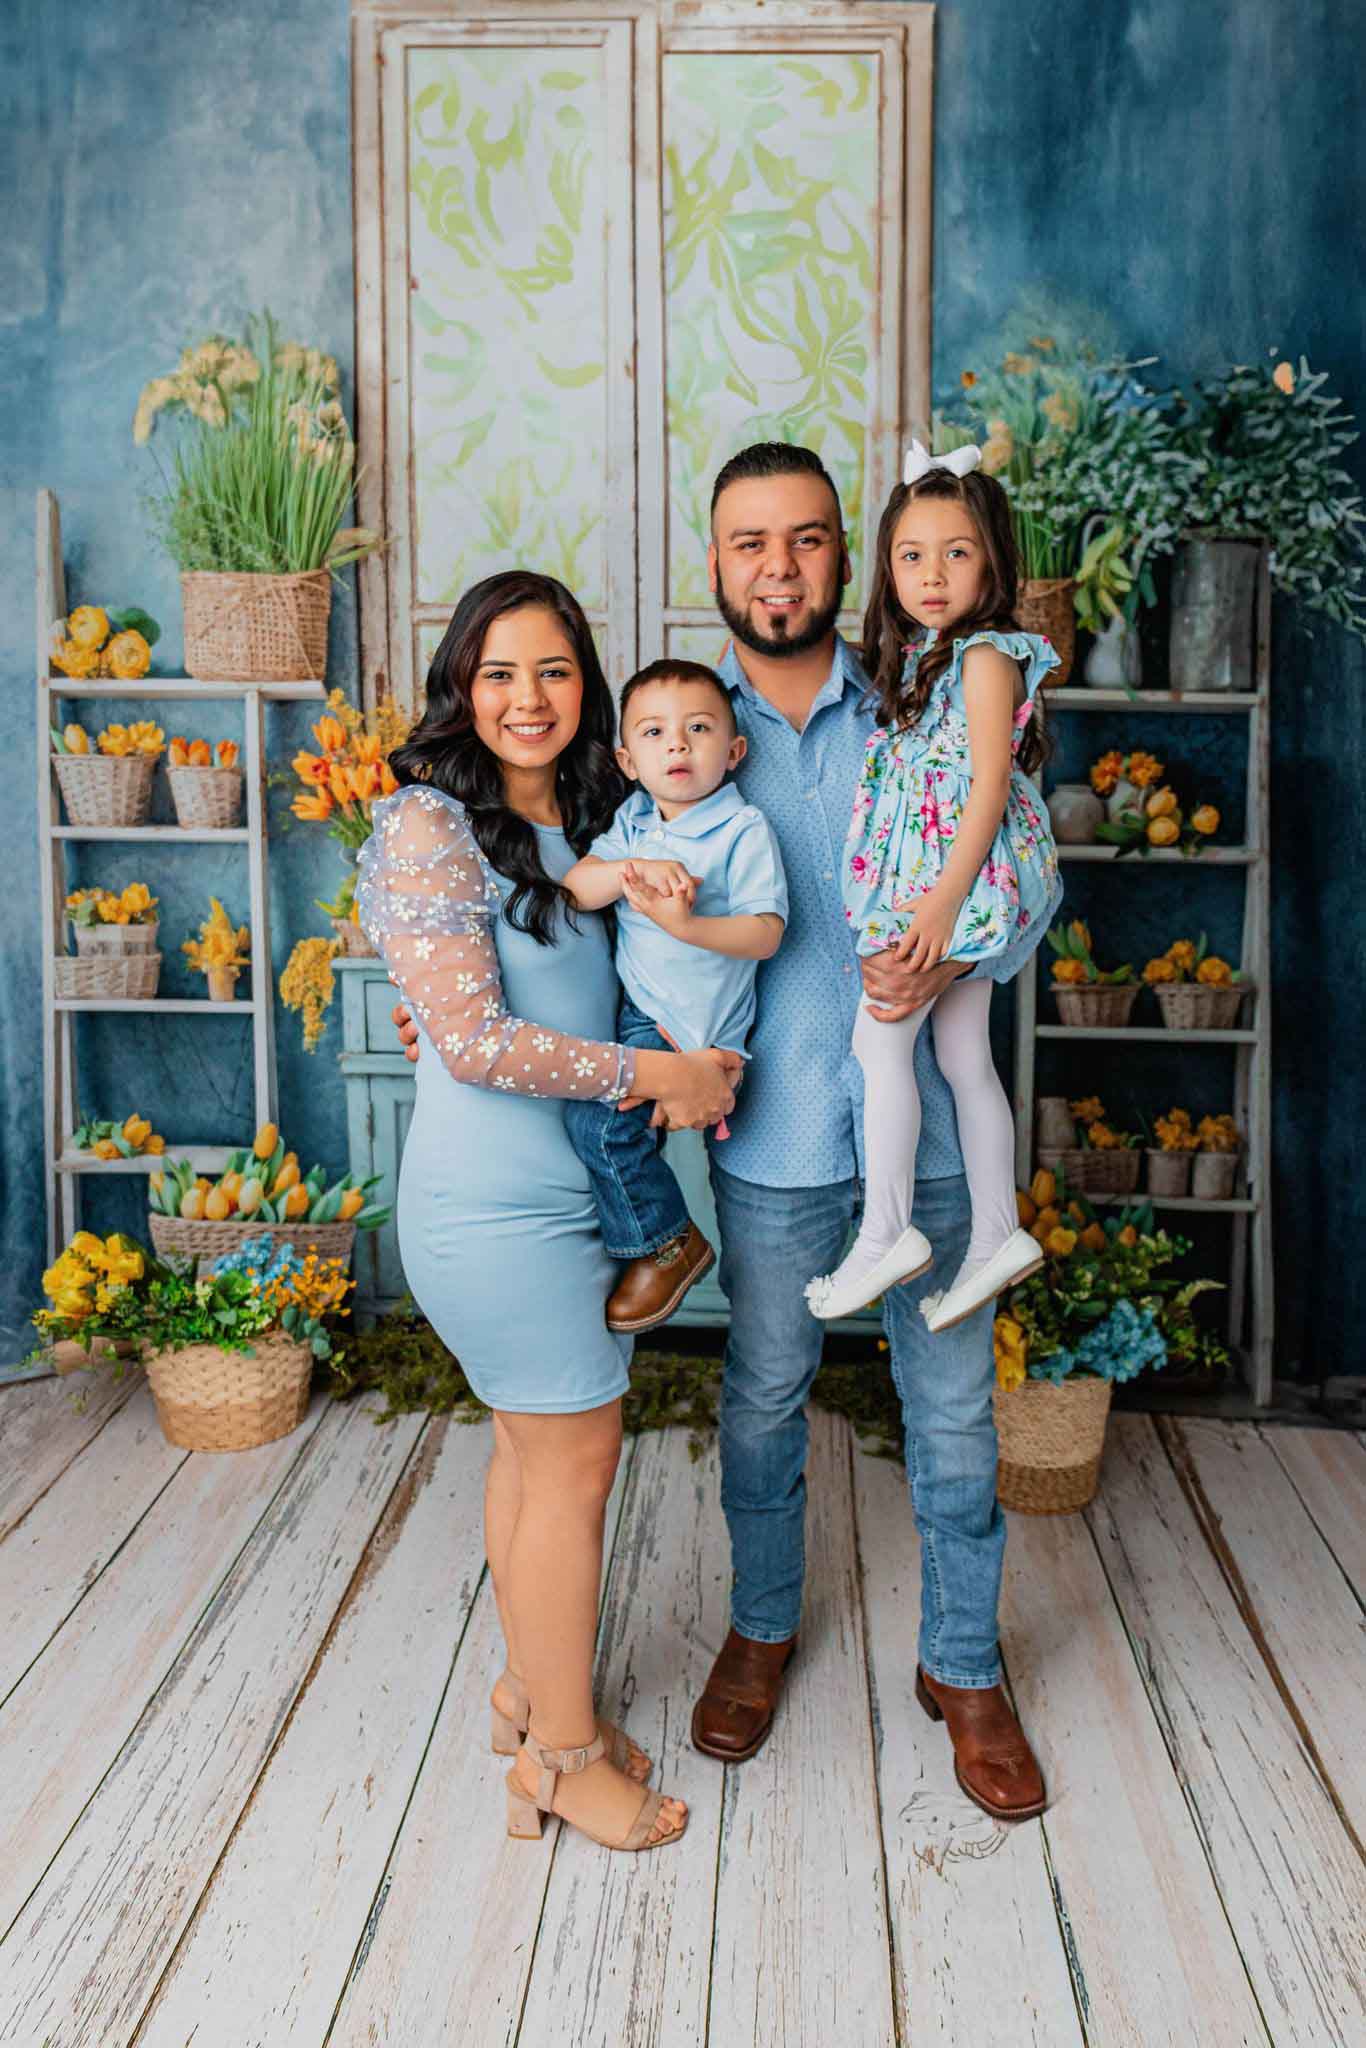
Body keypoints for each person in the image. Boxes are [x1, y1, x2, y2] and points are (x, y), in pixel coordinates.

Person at [393, 449, 1048, 1823]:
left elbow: (1014, 851)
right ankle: (759, 1631)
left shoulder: (922, 698)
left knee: (954, 1417)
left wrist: (961, 946)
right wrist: (435, 1007)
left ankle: (965, 1667)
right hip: (765, 1148)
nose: (778, 568)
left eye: (807, 541)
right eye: (749, 544)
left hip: (919, 1134)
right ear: (713, 566)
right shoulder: (658, 736)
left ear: (843, 562)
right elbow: (538, 913)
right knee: (757, 1407)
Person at [359, 570, 739, 1856]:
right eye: (500, 673)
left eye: (555, 671)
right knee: (575, 1471)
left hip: (573, 1201)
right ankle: (566, 1762)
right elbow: (468, 1040)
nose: (529, 698)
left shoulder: (600, 813)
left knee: (533, 1460)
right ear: (463, 686)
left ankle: (529, 1695)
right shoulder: (428, 824)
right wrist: (656, 1075)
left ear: (589, 683)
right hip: (491, 1208)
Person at [805, 440, 1062, 1328]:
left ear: (991, 559)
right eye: (911, 555)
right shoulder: (924, 655)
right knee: (960, 1058)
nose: (933, 574)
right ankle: (997, 1233)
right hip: (946, 878)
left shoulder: (985, 654)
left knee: (878, 1048)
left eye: (957, 552)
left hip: (958, 879)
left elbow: (989, 781)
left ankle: (886, 1234)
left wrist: (942, 903)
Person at [560, 658, 788, 1334]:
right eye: (655, 733)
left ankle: (666, 1243)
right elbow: (577, 887)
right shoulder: (632, 823)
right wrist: (633, 868)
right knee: (605, 1125)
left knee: (599, 1124)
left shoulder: (741, 830)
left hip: (695, 1023)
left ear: (734, 750)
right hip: (641, 1012)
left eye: (698, 729)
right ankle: (660, 1239)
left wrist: (685, 924)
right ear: (629, 760)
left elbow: (766, 933)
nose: (678, 746)